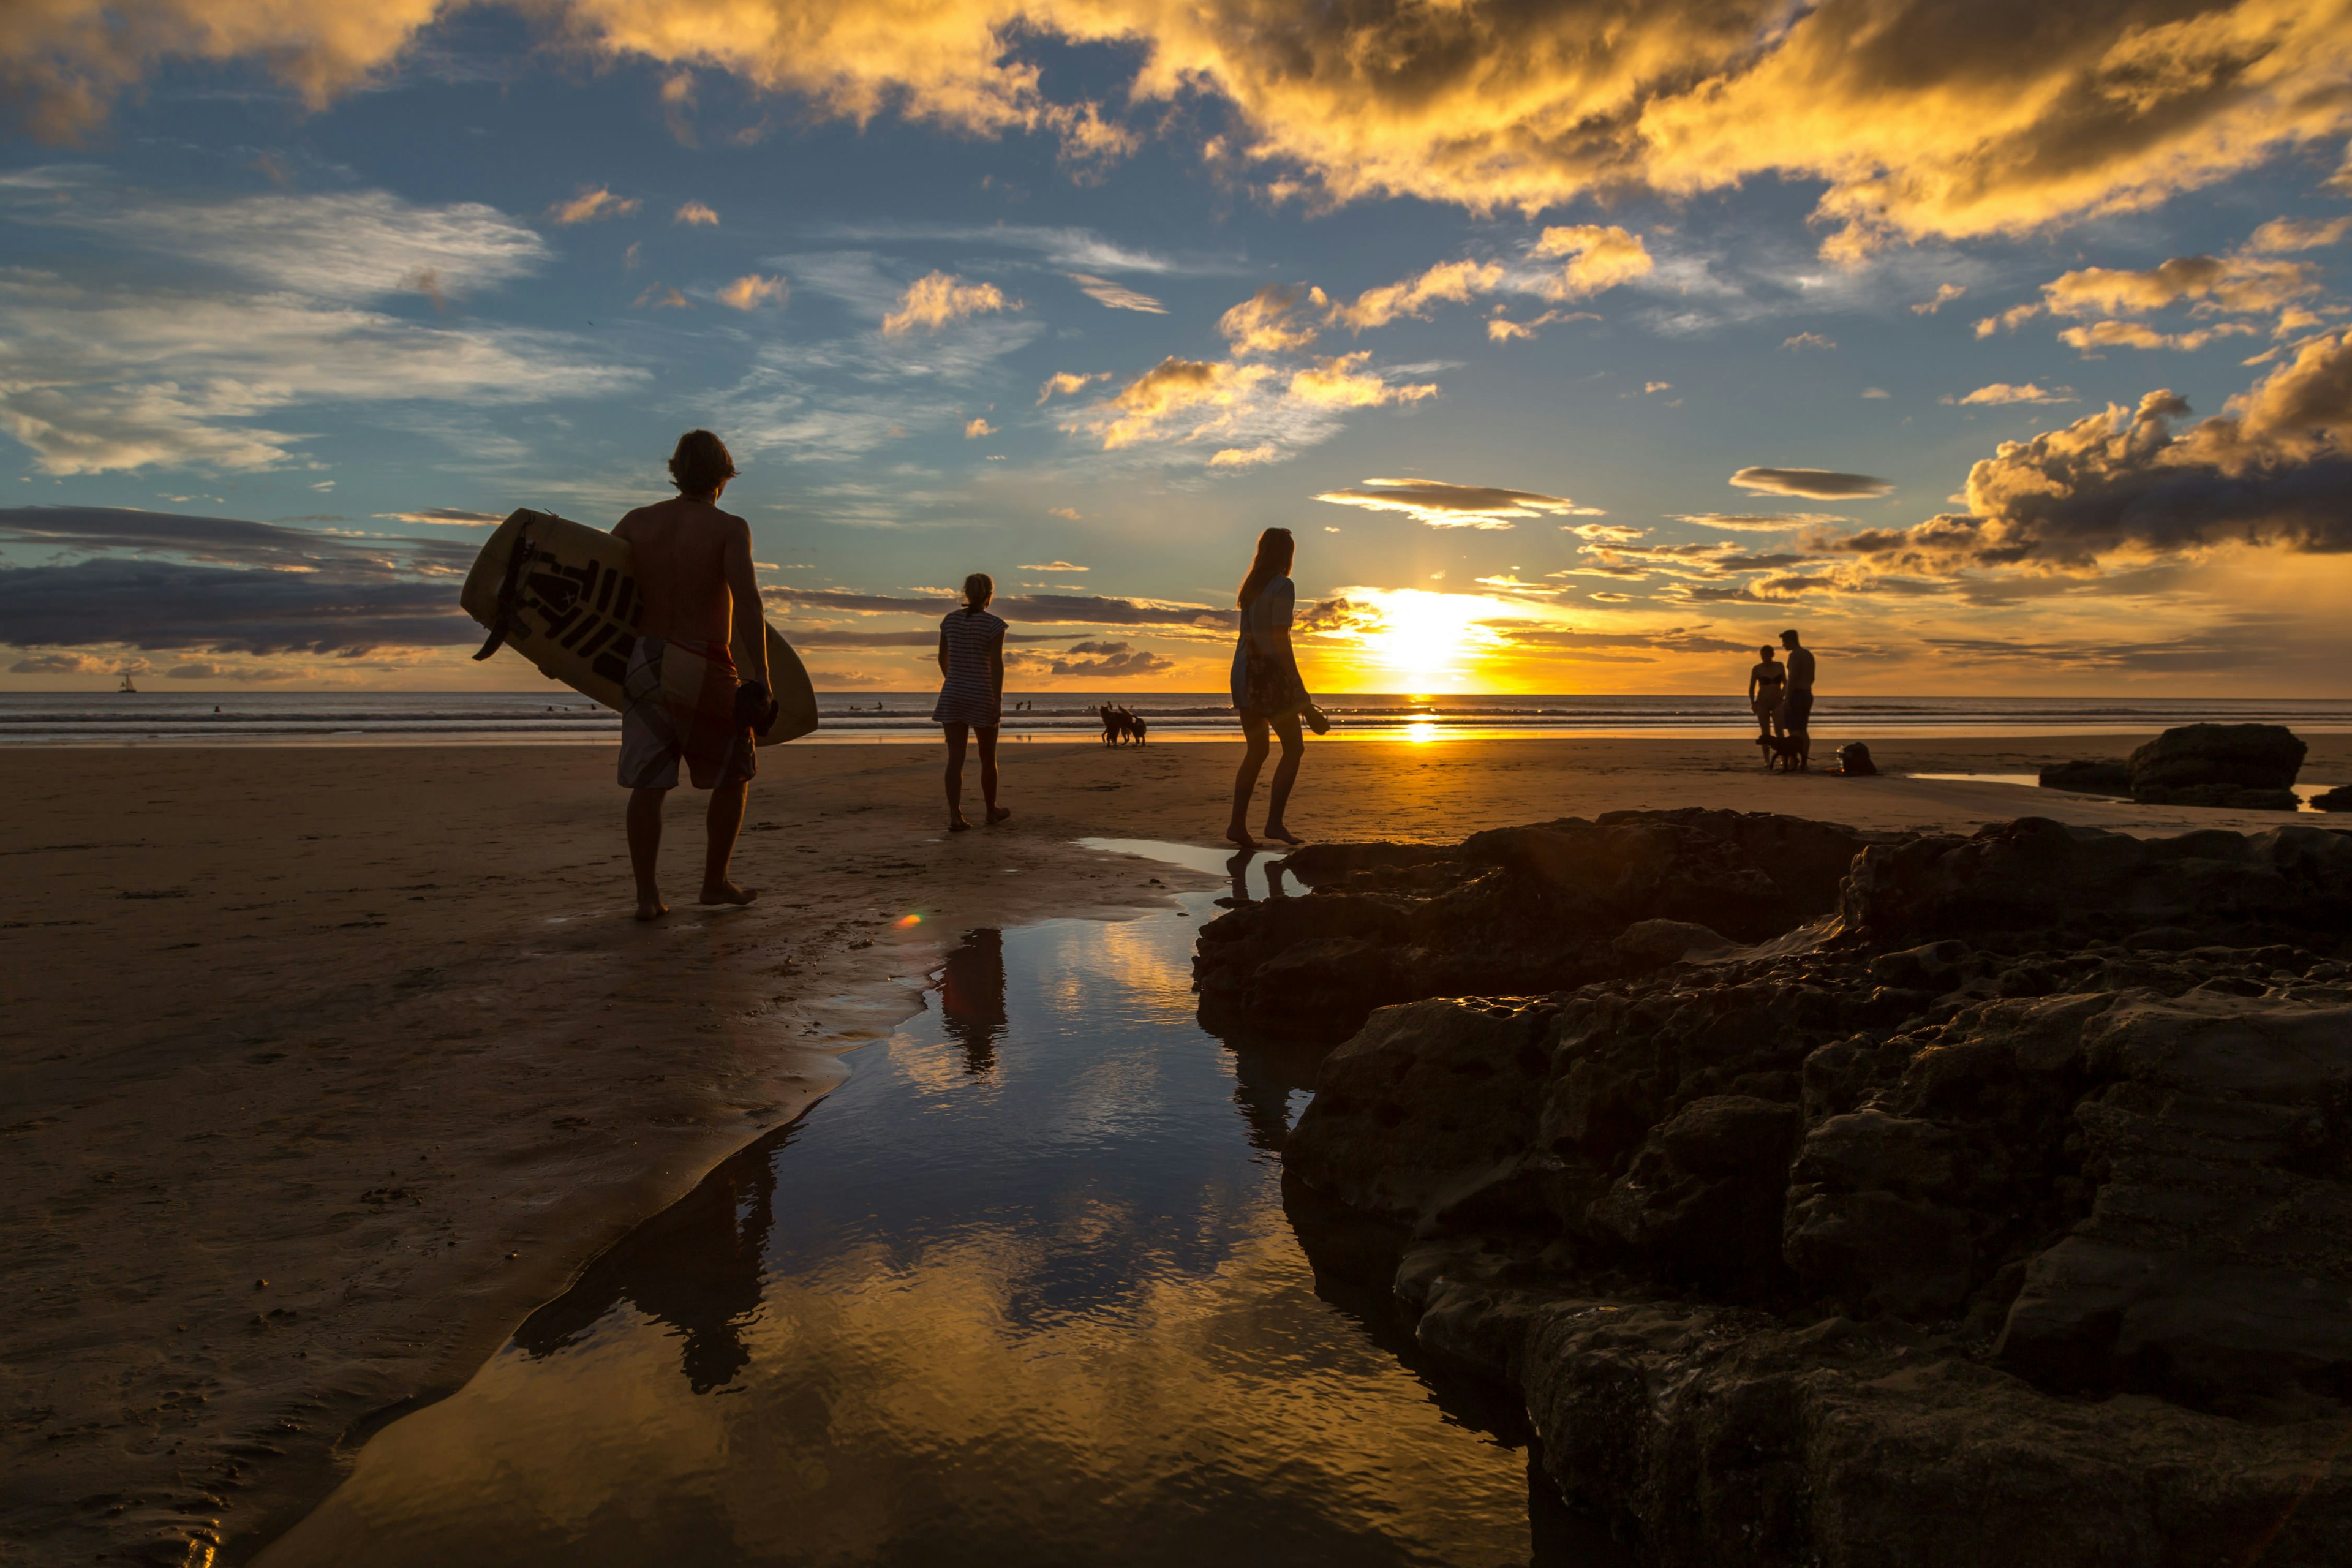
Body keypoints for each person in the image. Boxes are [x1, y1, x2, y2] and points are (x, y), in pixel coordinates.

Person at [612, 429, 771, 922]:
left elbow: (603, 588)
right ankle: (714, 882)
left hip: (644, 659)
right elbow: (747, 603)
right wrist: (760, 678)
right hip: (702, 659)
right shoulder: (729, 528)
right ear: (724, 476)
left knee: (649, 783)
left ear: (676, 472)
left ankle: (646, 897)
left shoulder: (636, 523)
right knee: (736, 771)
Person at [1226, 527, 1314, 848]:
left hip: (1242, 672)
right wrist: (1299, 689)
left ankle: (1238, 825)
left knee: (1257, 750)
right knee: (1294, 748)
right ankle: (1274, 823)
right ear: (1287, 554)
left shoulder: (1250, 588)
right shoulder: (1282, 585)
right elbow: (1281, 640)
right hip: (1268, 675)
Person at [933, 572, 1010, 831]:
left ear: (966, 592)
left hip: (953, 693)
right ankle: (991, 811)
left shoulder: (949, 621)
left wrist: (956, 680)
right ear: (990, 595)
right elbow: (997, 667)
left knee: (955, 758)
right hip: (981, 694)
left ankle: (956, 816)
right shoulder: (995, 625)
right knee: (988, 756)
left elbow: (942, 659)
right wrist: (997, 700)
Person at [1778, 628, 1816, 770]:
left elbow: (1792, 678)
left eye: (1784, 642)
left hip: (1797, 694)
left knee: (1794, 730)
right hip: (1807, 692)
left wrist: (1787, 699)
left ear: (1790, 641)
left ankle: (1794, 761)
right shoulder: (1808, 655)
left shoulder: (1795, 655)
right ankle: (1804, 761)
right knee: (1803, 729)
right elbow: (1812, 678)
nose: (1783, 645)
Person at [1747, 644, 1785, 741]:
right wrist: (1752, 702)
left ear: (1772, 655)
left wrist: (1783, 693)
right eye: (1763, 656)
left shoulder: (1779, 666)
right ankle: (1767, 757)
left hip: (1778, 702)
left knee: (1779, 730)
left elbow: (1786, 683)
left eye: (1767, 656)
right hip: (1763, 702)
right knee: (1765, 733)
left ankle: (1783, 754)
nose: (1765, 659)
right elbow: (1752, 687)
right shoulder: (1757, 668)